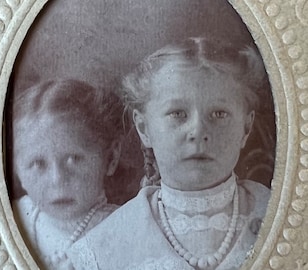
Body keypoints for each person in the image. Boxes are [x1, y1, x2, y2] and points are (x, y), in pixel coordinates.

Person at [65, 37, 271, 270]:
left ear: (246, 128)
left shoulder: (277, 213)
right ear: (144, 128)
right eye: (178, 114)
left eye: (219, 114)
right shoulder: (106, 245)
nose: (198, 131)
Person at [11, 79, 123, 269]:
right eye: (38, 164)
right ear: (16, 168)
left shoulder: (123, 228)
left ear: (111, 158)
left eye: (74, 159)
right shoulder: (12, 217)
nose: (58, 179)